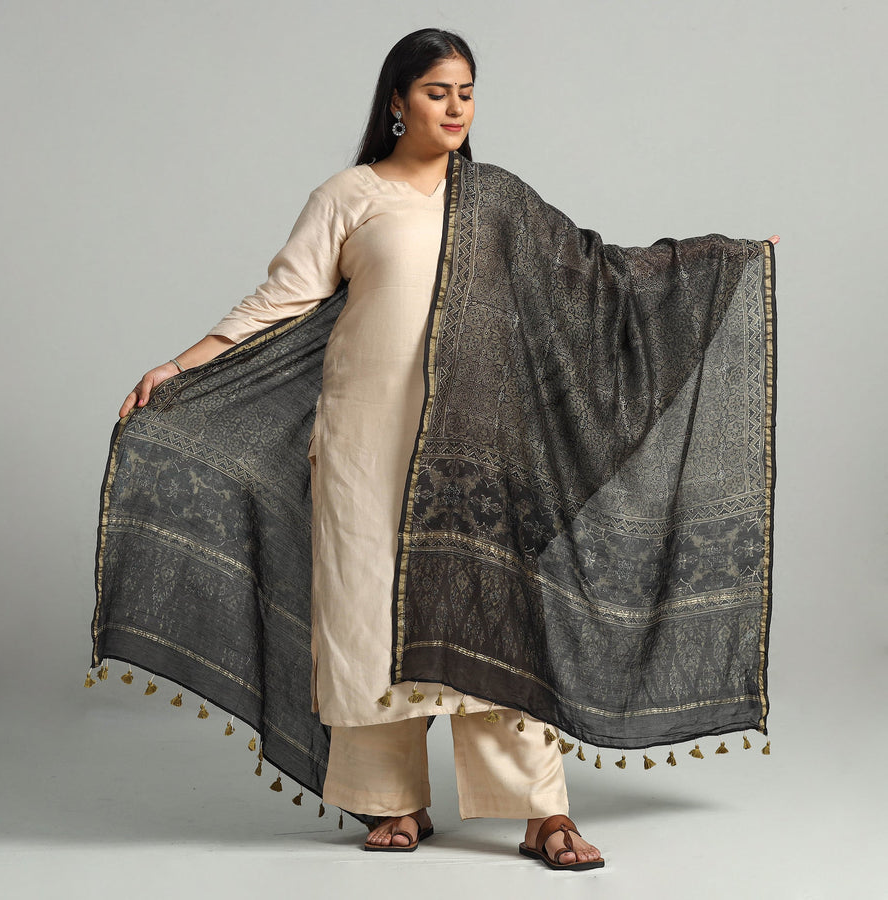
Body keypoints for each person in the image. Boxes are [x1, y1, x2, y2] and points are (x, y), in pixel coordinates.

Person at [114, 28, 778, 872]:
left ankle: (541, 812)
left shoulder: (495, 202)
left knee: (491, 610)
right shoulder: (349, 195)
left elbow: (599, 278)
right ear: (398, 101)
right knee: (365, 613)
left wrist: (719, 266)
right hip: (364, 441)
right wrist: (180, 366)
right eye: (437, 91)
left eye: (466, 91)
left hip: (476, 448)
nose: (456, 107)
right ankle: (392, 800)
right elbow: (280, 300)